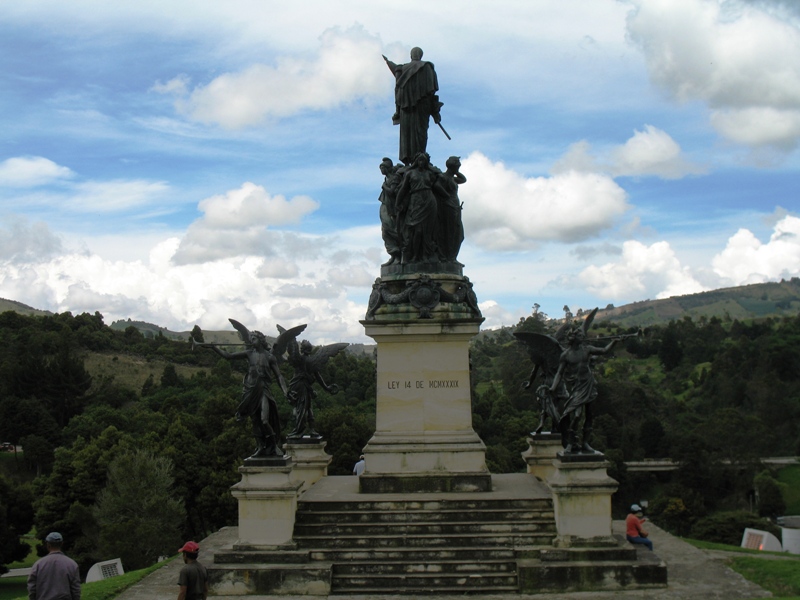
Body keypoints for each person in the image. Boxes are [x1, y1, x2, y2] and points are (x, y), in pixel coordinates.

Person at [210, 327, 289, 458]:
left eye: (254, 338)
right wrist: (214, 348)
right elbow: (228, 356)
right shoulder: (249, 353)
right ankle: (260, 446)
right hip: (251, 390)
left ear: (261, 340)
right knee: (256, 421)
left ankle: (273, 444)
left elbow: (279, 376)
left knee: (264, 420)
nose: (251, 340)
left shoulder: (270, 357)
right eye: (251, 338)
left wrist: (285, 391)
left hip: (263, 390)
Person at [550, 309, 618, 453]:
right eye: (580, 335)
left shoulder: (587, 349)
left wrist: (614, 342)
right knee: (576, 415)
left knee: (589, 414)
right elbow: (559, 373)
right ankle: (571, 442)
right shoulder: (566, 355)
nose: (583, 336)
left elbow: (604, 351)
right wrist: (553, 388)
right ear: (574, 338)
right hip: (577, 387)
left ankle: (585, 443)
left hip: (589, 383)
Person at [383, 47, 442, 165]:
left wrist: (388, 62)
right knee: (420, 132)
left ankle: (410, 161)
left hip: (405, 107)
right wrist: (435, 112)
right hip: (422, 107)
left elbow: (397, 83)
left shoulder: (402, 69)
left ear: (411, 56)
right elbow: (431, 92)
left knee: (407, 134)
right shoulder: (428, 67)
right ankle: (420, 156)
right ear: (421, 55)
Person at [285, 339, 347, 439]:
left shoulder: (299, 359)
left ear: (302, 349)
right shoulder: (312, 361)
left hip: (298, 386)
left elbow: (315, 374)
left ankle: (299, 430)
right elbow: (317, 375)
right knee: (308, 407)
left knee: (301, 408)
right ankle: (311, 429)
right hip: (305, 387)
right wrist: (326, 387)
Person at [395, 152, 445, 263]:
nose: (421, 163)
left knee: (428, 231)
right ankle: (415, 255)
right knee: (417, 231)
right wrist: (398, 203)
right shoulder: (410, 173)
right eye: (420, 160)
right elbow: (403, 189)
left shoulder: (429, 173)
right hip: (416, 200)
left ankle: (426, 255)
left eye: (424, 161)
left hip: (429, 200)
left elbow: (439, 182)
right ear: (416, 162)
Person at [27, 531, 81, 600]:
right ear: (61, 544)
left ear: (48, 545)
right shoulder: (72, 564)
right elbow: (76, 589)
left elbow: (32, 587)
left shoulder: (38, 564)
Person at [436, 156, 466, 263]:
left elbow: (463, 179)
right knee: (449, 232)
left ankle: (452, 256)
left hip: (455, 206)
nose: (458, 168)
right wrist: (447, 196)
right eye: (457, 166)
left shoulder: (452, 178)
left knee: (459, 234)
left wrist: (456, 172)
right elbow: (437, 186)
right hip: (448, 206)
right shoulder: (443, 177)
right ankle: (448, 257)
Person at [378, 157, 402, 266]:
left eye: (383, 167)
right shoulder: (387, 178)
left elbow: (392, 192)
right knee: (385, 232)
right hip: (385, 204)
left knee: (392, 229)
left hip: (392, 208)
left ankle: (399, 254)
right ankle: (394, 255)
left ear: (387, 168)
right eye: (381, 168)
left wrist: (384, 187)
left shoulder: (394, 178)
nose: (381, 170)